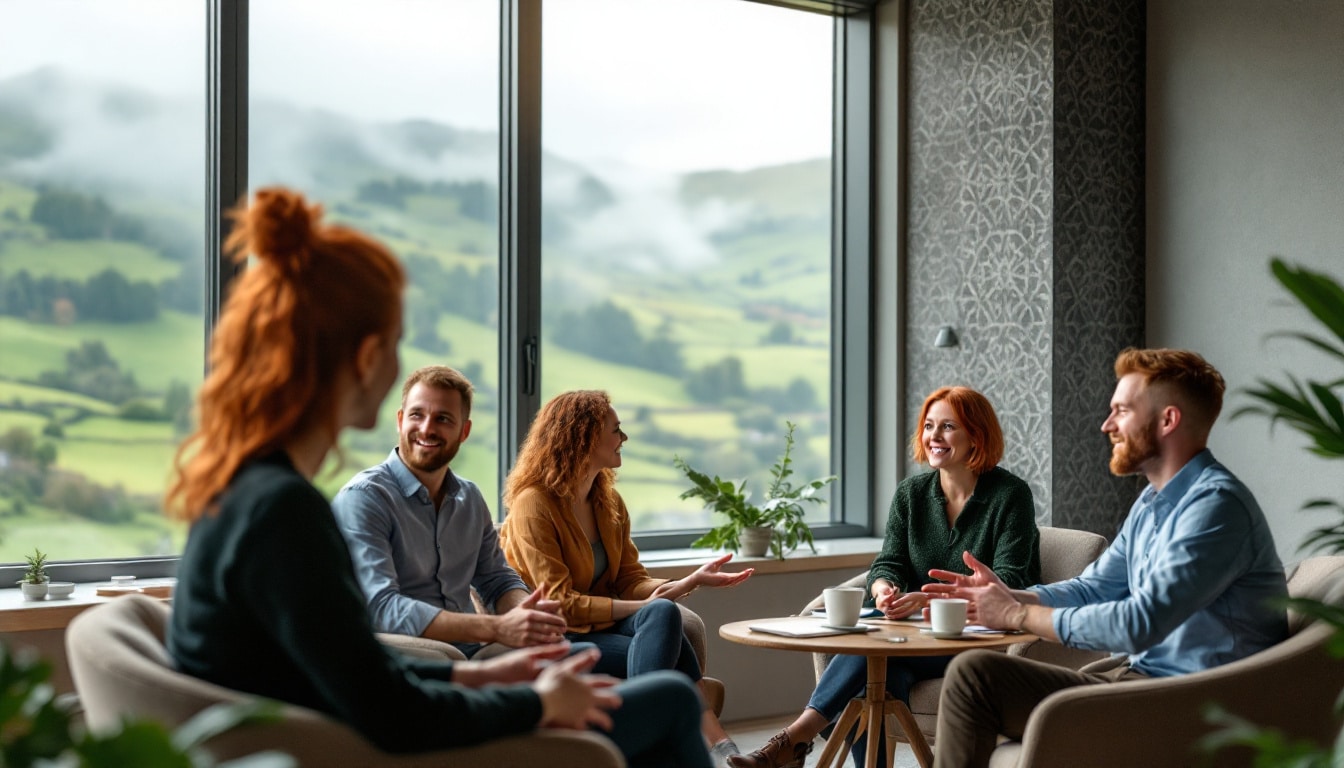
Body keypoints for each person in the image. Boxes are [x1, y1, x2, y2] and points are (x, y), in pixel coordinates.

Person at [163, 187, 712, 767]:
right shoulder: (287, 511)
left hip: (344, 730)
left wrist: (488, 676)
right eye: (397, 345)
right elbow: (393, 709)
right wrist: (534, 705)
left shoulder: (245, 491)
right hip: (380, 750)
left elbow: (357, 673)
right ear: (369, 356)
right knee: (672, 699)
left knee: (657, 681)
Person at [923, 348, 1289, 768]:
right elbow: (1095, 587)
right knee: (977, 675)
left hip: (1194, 704)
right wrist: (1011, 596)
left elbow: (1139, 623)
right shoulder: (1153, 501)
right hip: (1140, 682)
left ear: (1168, 420)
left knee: (975, 677)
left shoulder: (1216, 507)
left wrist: (1015, 617)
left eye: (1121, 411)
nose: (1106, 424)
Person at [730, 386, 1041, 768]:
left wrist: (928, 599)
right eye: (929, 426)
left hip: (976, 642)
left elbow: (1009, 579)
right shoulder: (911, 493)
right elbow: (887, 562)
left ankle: (792, 740)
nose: (934, 437)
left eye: (948, 427)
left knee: (870, 653)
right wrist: (883, 589)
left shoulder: (1010, 495)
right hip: (909, 638)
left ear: (977, 435)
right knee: (877, 681)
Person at [499, 389, 755, 766]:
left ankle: (693, 743)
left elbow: (631, 578)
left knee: (664, 614)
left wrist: (688, 581)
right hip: (560, 635)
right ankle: (699, 742)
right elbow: (561, 604)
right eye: (616, 430)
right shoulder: (534, 504)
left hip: (605, 629)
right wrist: (643, 603)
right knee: (662, 622)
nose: (624, 438)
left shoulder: (608, 502)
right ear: (583, 437)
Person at [333, 365, 568, 660]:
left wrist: (526, 615)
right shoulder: (364, 498)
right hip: (401, 654)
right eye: (417, 414)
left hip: (471, 650)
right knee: (452, 658)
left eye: (443, 418)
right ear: (400, 419)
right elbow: (382, 607)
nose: (427, 428)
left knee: (563, 654)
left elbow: (496, 579)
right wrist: (494, 628)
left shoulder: (469, 498)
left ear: (464, 431)